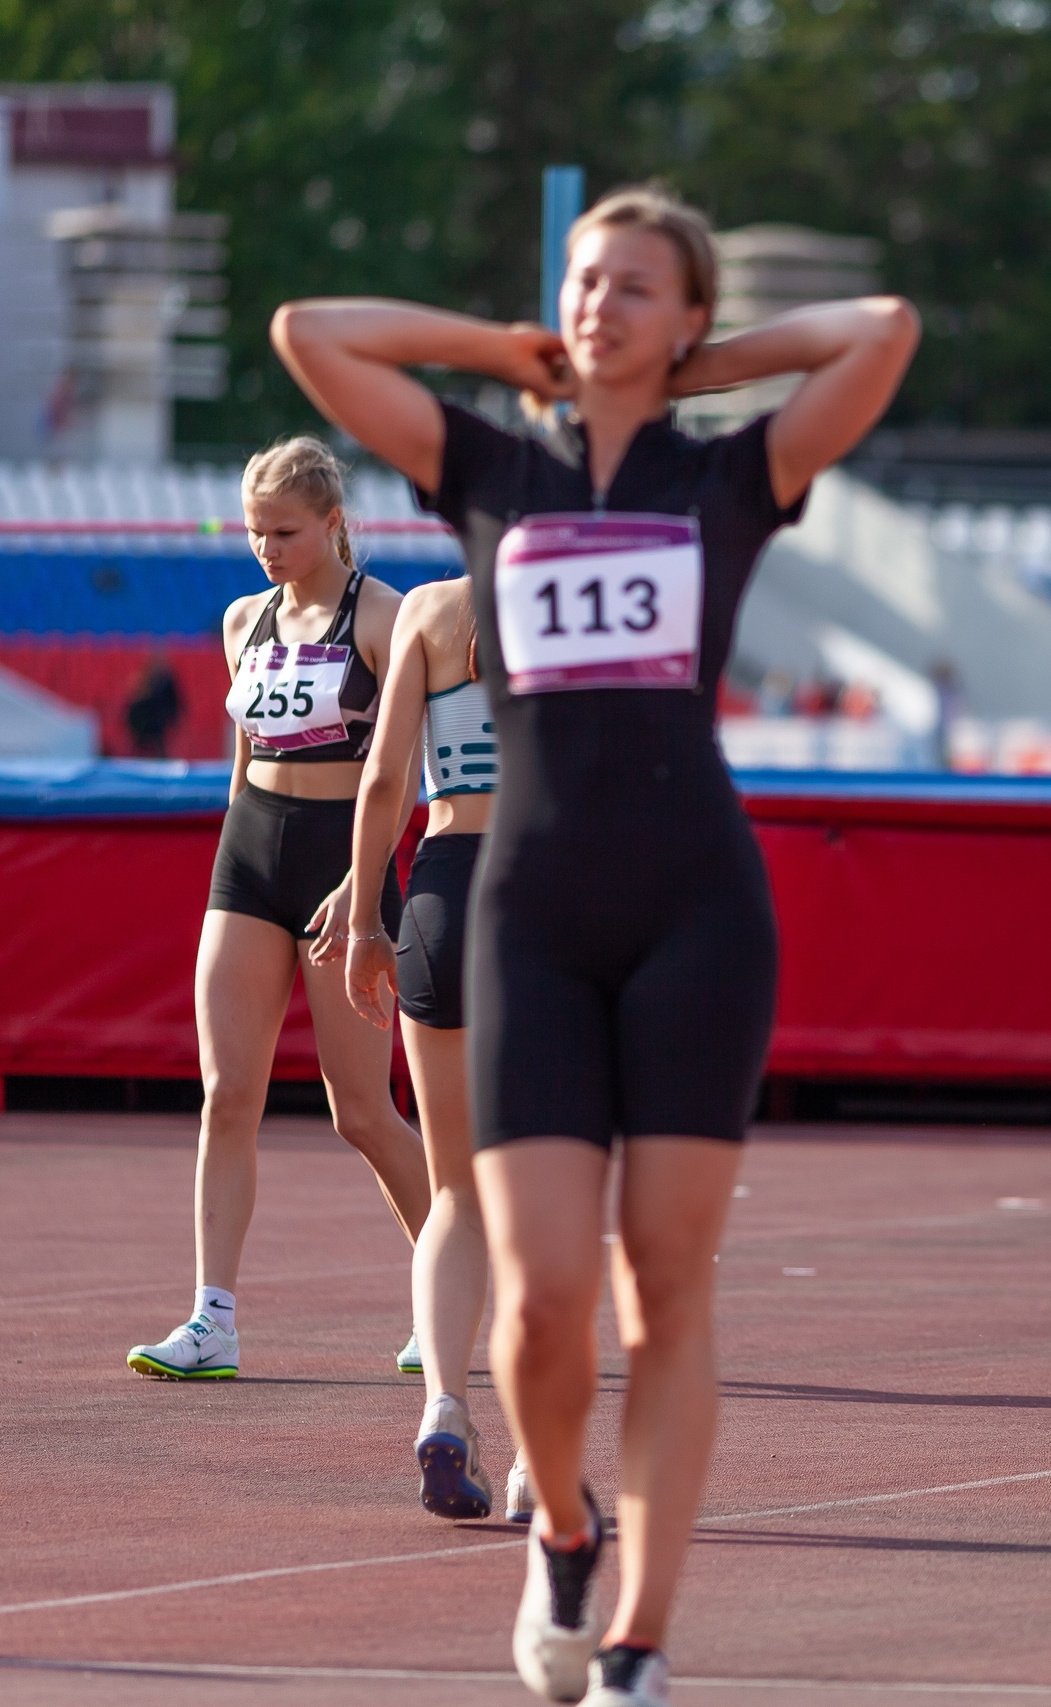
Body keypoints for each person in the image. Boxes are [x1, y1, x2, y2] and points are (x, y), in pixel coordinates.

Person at [272, 183, 918, 1704]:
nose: (601, 304)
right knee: (546, 1295)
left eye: (637, 286)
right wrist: (501, 349)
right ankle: (561, 1525)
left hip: (698, 907)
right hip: (531, 914)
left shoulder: (730, 479)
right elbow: (314, 332)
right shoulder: (492, 465)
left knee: (662, 1291)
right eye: (582, 281)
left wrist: (697, 371)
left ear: (686, 317)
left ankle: (637, 1633)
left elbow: (880, 330)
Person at [124, 439, 429, 1383]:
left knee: (361, 1111)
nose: (266, 549)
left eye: (284, 532)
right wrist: (233, 856)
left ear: (333, 521)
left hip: (348, 867)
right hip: (250, 857)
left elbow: (405, 773)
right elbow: (243, 759)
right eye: (253, 532)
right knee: (227, 1093)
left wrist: (364, 876)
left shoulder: (385, 618)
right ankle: (212, 1316)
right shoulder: (242, 620)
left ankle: (454, 1285)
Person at [309, 570, 514, 1522]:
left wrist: (363, 917)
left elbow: (385, 776)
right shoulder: (586, 601)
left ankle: (445, 1402)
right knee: (548, 1192)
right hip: (548, 893)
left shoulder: (430, 609)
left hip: (443, 886)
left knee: (458, 1191)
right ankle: (538, 1463)